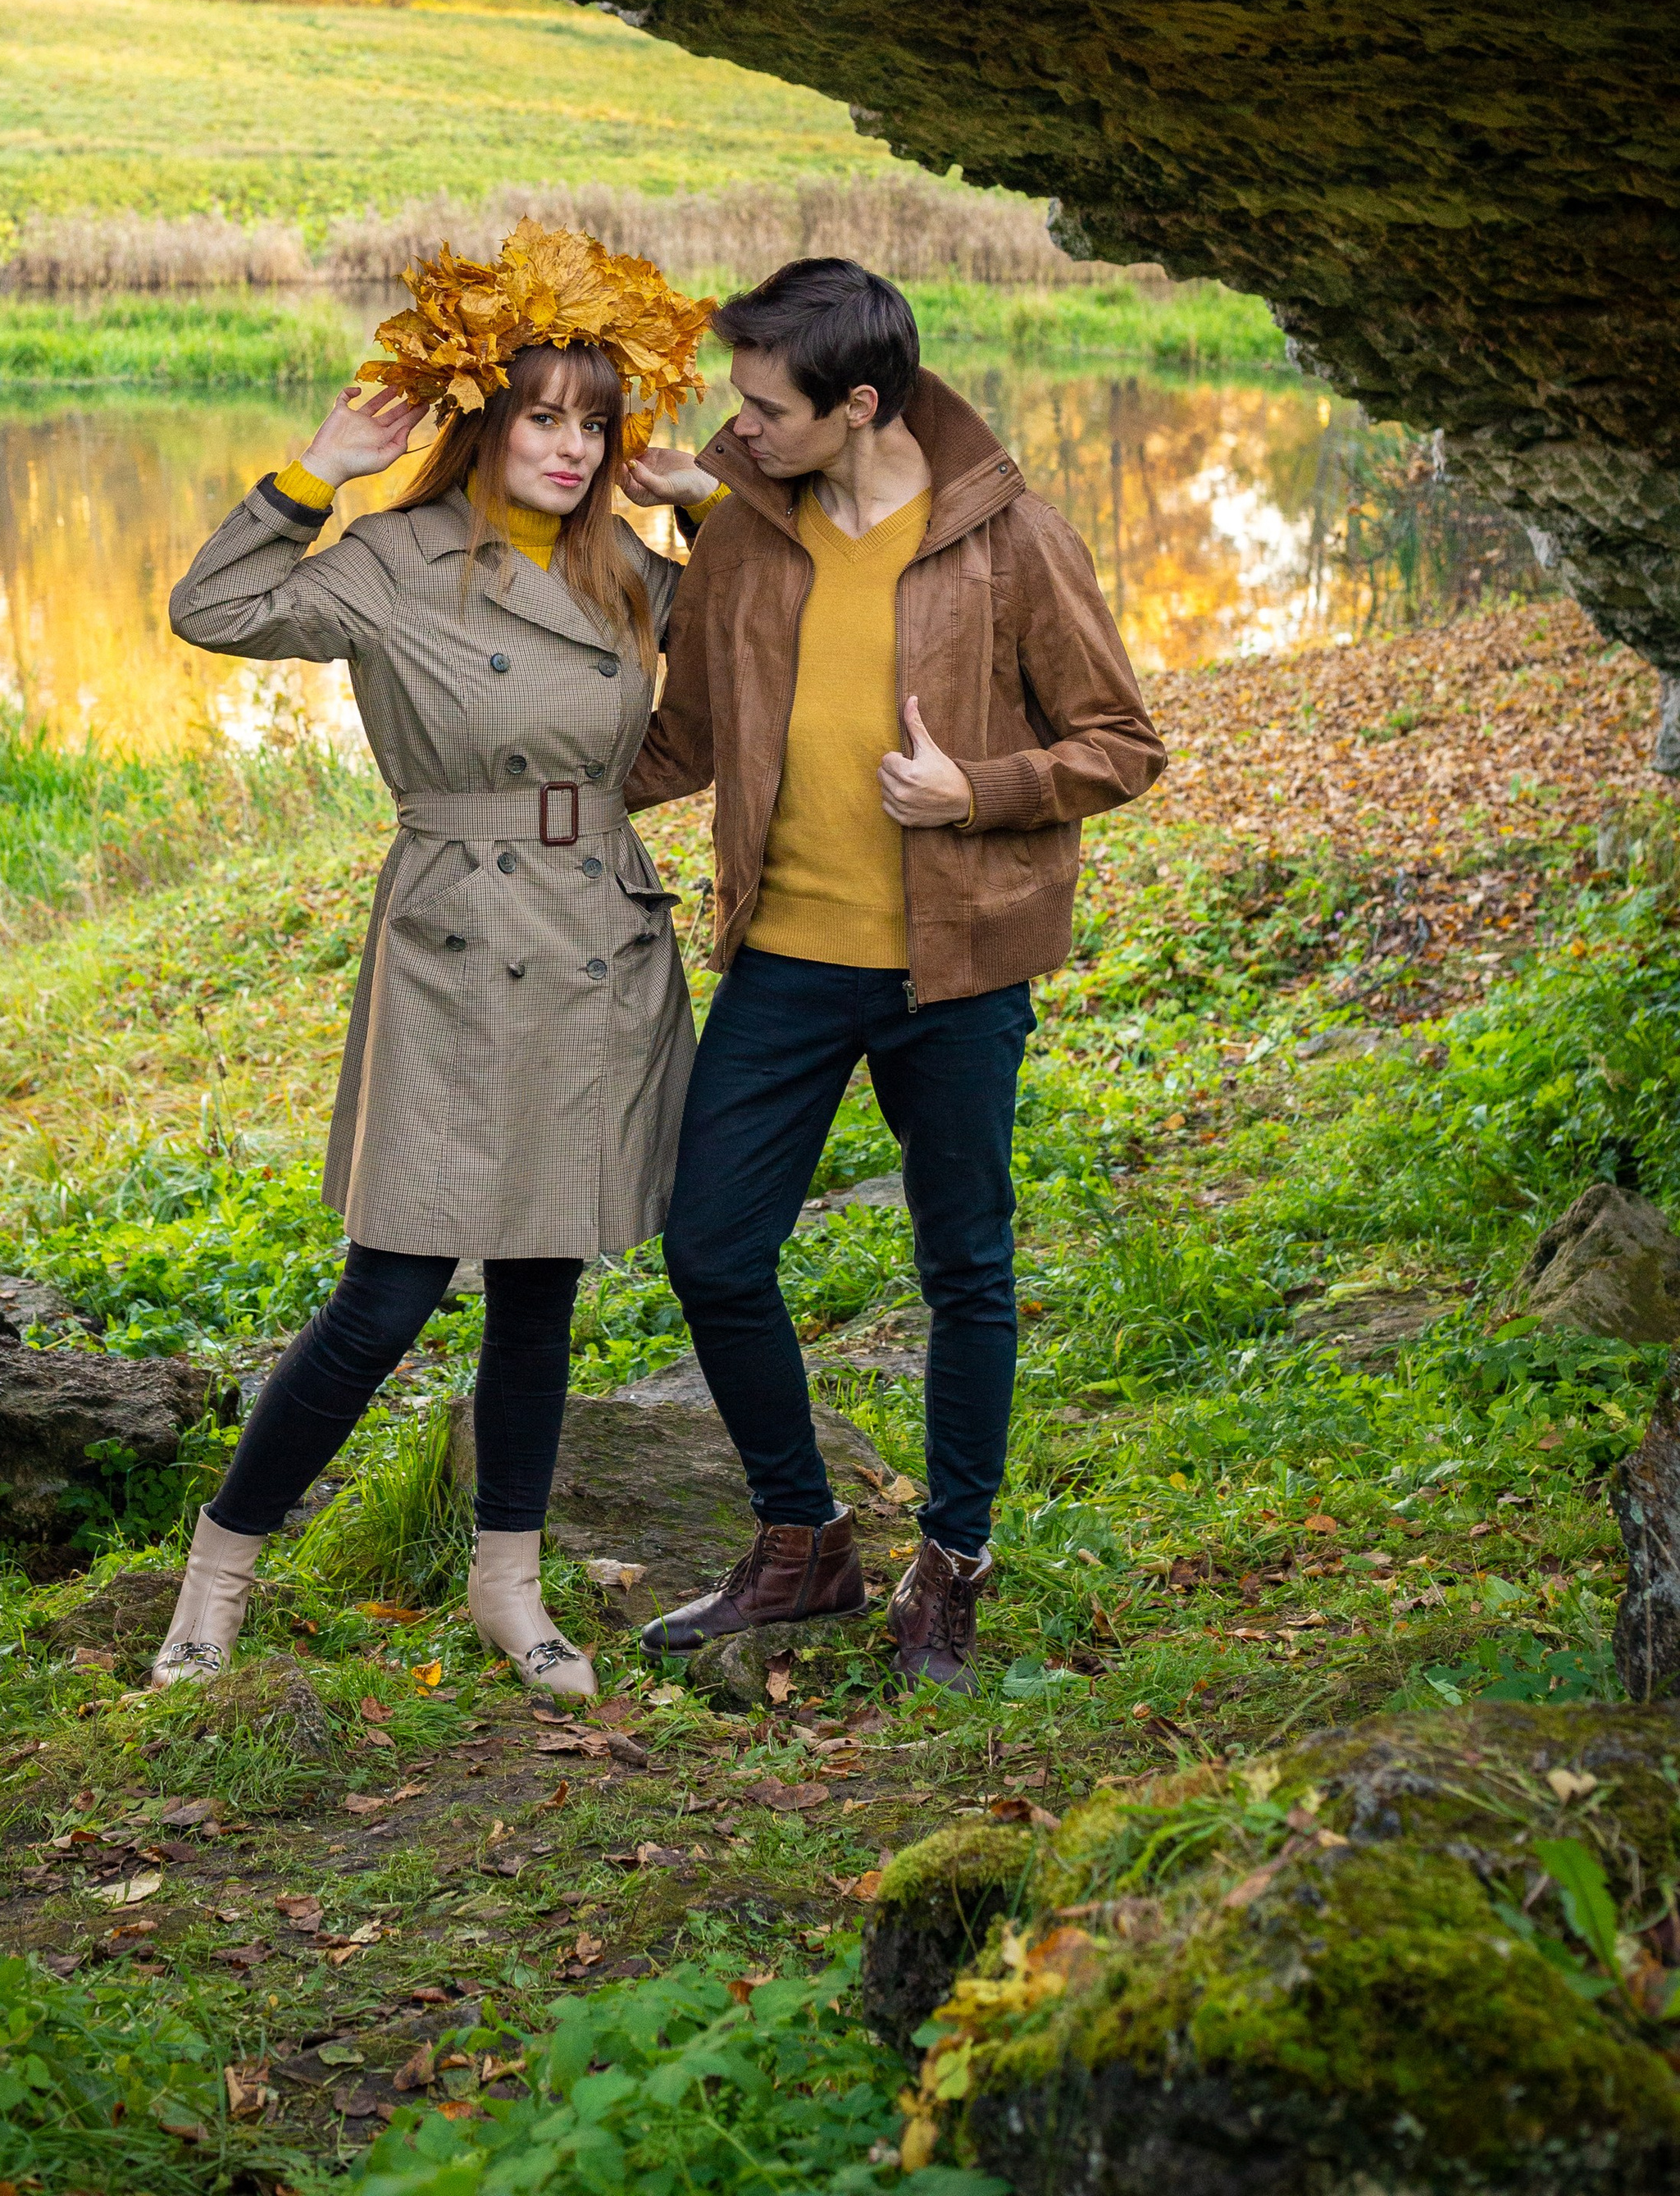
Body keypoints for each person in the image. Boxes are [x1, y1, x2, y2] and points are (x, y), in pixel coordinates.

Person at [153, 222, 709, 1697]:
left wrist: (707, 504)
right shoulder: (391, 563)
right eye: (545, 417)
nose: (576, 449)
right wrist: (316, 470)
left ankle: (509, 1588)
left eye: (598, 422)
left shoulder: (625, 573)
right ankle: (217, 1574)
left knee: (542, 1289)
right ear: (485, 420)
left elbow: (761, 649)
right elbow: (209, 611)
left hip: (598, 930)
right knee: (387, 1293)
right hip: (457, 938)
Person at [623, 256, 1165, 1692]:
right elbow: (682, 743)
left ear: (859, 405)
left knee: (963, 1267)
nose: (737, 430)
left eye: (764, 410)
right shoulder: (745, 536)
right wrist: (503, 787)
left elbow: (1123, 742)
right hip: (786, 961)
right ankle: (803, 1543)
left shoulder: (1010, 540)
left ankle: (954, 1561)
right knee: (712, 1249)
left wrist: (973, 791)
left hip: (959, 973)